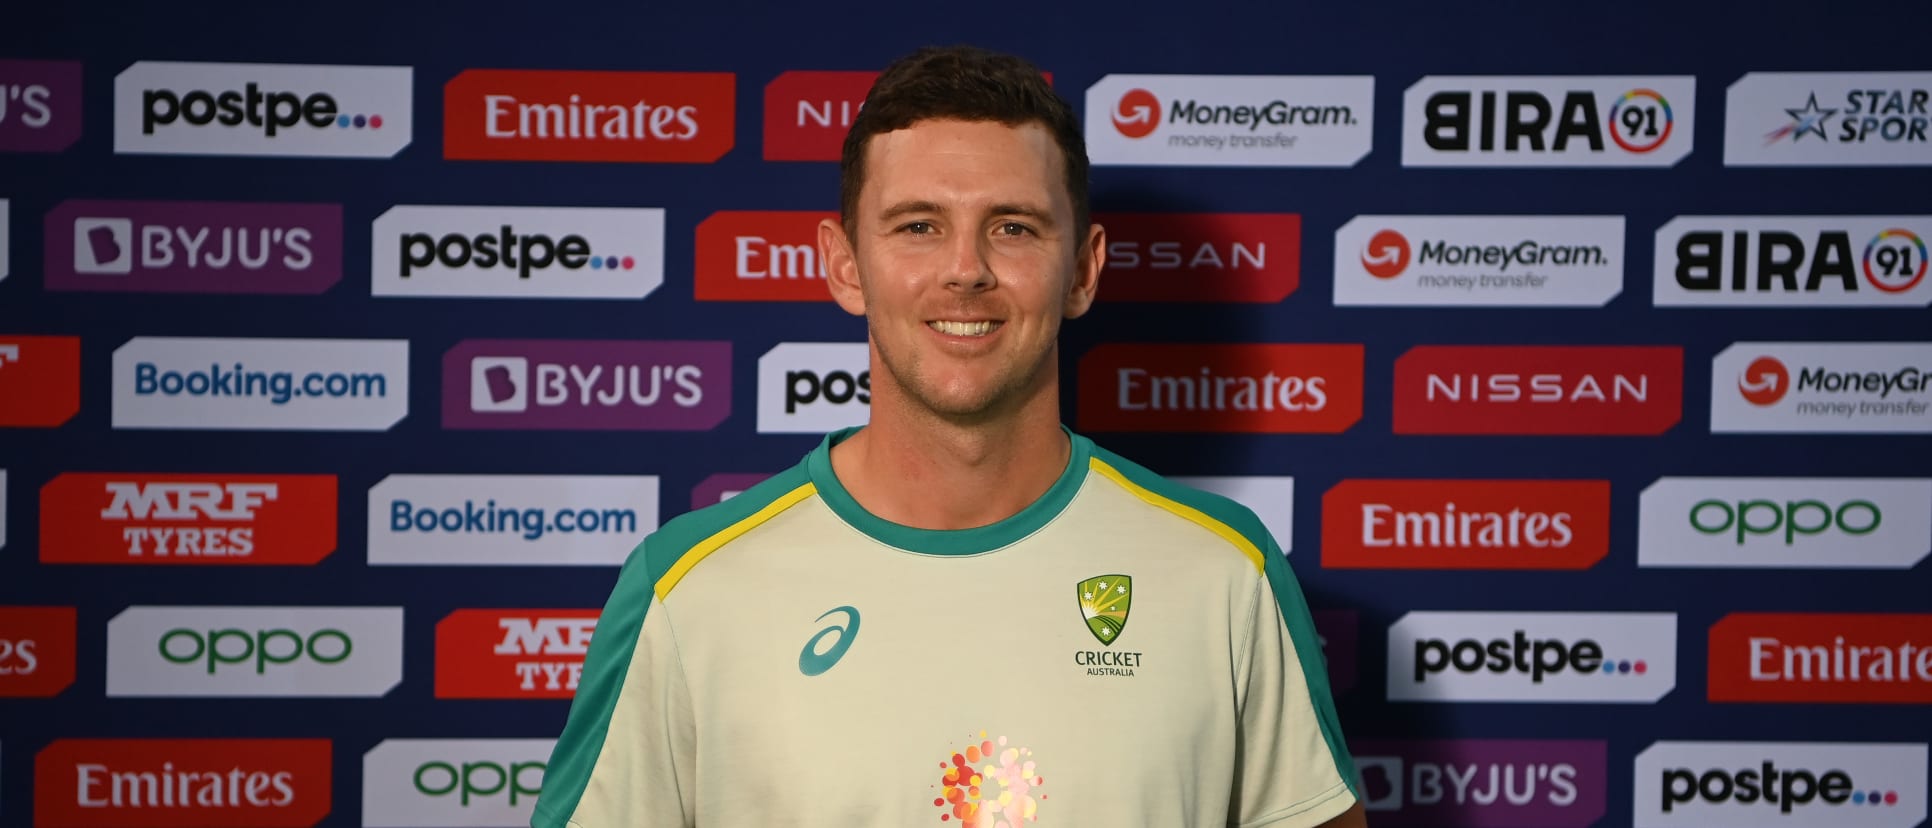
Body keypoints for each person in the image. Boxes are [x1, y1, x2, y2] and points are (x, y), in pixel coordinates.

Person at [532, 45, 1366, 828]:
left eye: (1013, 226)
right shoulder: (688, 591)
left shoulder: (1225, 573)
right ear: (845, 264)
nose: (965, 269)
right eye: (918, 225)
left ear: (1083, 269)